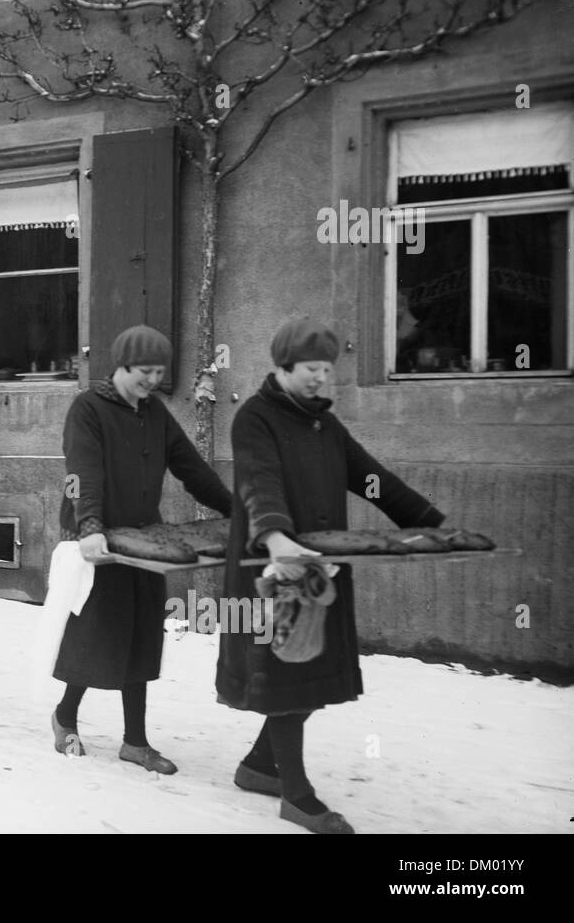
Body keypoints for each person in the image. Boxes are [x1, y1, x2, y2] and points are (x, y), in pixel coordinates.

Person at [215, 318, 447, 834]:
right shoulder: (254, 419)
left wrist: (432, 524)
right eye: (312, 369)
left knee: (308, 675)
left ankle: (258, 767)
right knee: (289, 679)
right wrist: (276, 538)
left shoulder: (324, 425)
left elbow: (372, 479)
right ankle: (296, 796)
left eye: (327, 369)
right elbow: (260, 484)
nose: (322, 378)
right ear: (283, 367)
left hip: (320, 573)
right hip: (273, 569)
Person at [55, 325, 232, 773]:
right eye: (145, 371)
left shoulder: (155, 414)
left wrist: (239, 510)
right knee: (96, 634)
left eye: (159, 371)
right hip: (98, 541)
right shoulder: (88, 409)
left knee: (140, 637)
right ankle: (65, 716)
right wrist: (90, 526)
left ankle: (135, 741)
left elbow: (193, 469)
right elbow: (80, 474)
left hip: (144, 540)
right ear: (121, 365)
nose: (152, 380)